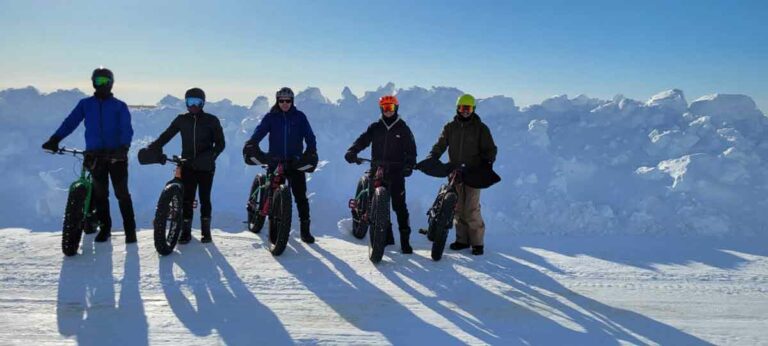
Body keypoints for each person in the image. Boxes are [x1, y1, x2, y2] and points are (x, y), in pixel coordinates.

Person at [42, 67, 137, 244]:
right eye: (98, 81)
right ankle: (105, 228)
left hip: (116, 156)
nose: (101, 85)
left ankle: (130, 231)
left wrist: (124, 147)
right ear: (93, 83)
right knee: (100, 194)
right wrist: (55, 139)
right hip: (95, 156)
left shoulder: (119, 106)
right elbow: (70, 122)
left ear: (111, 83)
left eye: (105, 81)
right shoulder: (85, 104)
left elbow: (127, 129)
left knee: (121, 193)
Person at [145, 88, 225, 243]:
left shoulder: (211, 120)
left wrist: (210, 157)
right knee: (187, 199)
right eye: (190, 102)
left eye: (197, 102)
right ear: (186, 103)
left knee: (204, 198)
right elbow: (166, 135)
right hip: (187, 165)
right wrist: (153, 147)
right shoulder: (181, 120)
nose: (194, 105)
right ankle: (186, 232)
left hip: (206, 167)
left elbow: (220, 144)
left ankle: (206, 232)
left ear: (203, 103)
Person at [243, 87, 318, 243]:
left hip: (294, 161)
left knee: (300, 197)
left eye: (288, 101)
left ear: (292, 101)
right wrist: (252, 143)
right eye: (281, 101)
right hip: (275, 160)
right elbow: (260, 132)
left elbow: (309, 136)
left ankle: (305, 231)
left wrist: (311, 151)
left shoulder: (299, 117)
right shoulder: (271, 117)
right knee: (272, 193)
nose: (285, 103)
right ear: (277, 101)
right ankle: (274, 229)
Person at [345, 95, 417, 254]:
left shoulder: (403, 128)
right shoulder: (375, 127)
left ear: (396, 108)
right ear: (381, 109)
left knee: (399, 207)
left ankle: (405, 242)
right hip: (377, 169)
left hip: (396, 171)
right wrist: (353, 151)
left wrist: (409, 165)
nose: (388, 111)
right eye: (385, 108)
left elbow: (411, 151)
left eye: (391, 108)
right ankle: (384, 238)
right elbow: (362, 140)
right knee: (374, 204)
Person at [427, 94, 497, 255]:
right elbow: (440, 144)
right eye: (462, 108)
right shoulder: (450, 127)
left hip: (474, 172)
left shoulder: (481, 128)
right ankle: (462, 240)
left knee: (471, 208)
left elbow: (490, 149)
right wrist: (433, 156)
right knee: (457, 208)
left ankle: (477, 243)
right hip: (455, 172)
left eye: (469, 108)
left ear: (473, 109)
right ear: (458, 108)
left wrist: (487, 163)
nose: (465, 111)